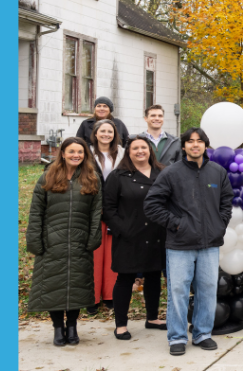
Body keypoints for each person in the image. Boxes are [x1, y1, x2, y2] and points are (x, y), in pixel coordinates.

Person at [144, 128, 233, 355]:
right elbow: (152, 205)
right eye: (190, 142)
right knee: (178, 291)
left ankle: (202, 333)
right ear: (183, 146)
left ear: (205, 145)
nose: (195, 145)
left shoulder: (218, 172)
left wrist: (219, 225)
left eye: (200, 141)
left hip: (209, 244)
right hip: (180, 245)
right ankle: (177, 337)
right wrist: (177, 224)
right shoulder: (172, 173)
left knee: (207, 289)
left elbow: (226, 202)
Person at [26, 137, 104, 347]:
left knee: (77, 285)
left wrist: (92, 238)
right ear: (63, 153)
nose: (75, 155)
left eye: (80, 152)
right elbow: (36, 213)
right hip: (52, 242)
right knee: (54, 286)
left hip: (80, 242)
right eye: (71, 151)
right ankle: (58, 328)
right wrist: (35, 240)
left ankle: (72, 326)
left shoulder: (92, 178)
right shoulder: (47, 177)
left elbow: (96, 212)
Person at [103, 136, 168, 339]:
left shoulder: (163, 172)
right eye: (135, 148)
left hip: (158, 233)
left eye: (144, 147)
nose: (140, 151)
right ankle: (121, 324)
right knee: (125, 279)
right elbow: (108, 208)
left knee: (153, 277)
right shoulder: (118, 176)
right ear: (128, 153)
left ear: (150, 150)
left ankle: (152, 317)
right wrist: (122, 230)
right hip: (129, 235)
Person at [89, 119, 122, 313]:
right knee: (94, 253)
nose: (106, 134)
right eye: (102, 131)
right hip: (92, 208)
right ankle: (92, 297)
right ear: (95, 133)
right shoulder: (87, 154)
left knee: (112, 253)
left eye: (110, 131)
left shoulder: (122, 154)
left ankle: (110, 295)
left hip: (115, 208)